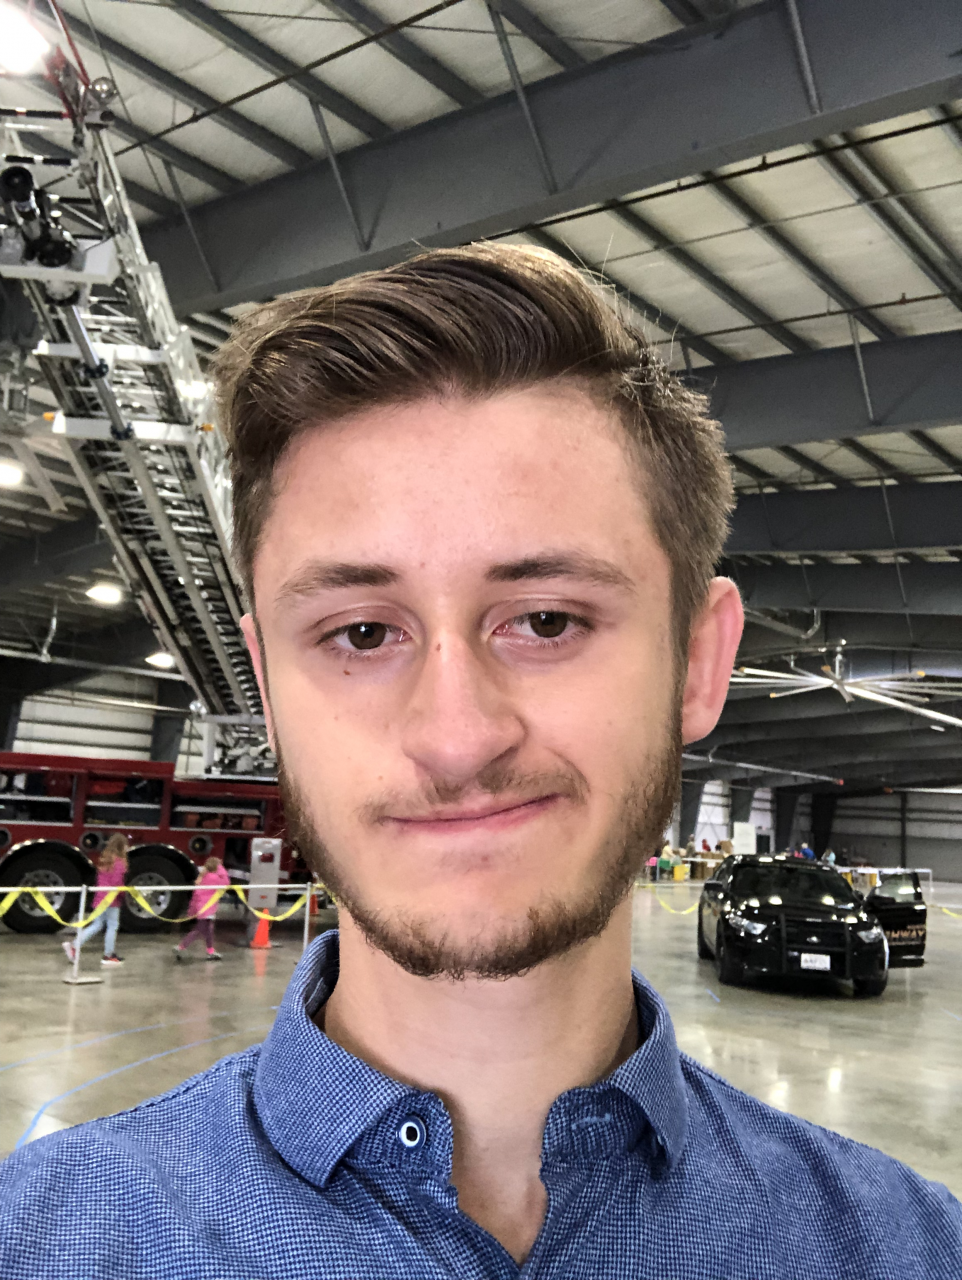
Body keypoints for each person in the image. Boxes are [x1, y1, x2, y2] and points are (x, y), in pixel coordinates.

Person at [2, 245, 959, 1279]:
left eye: (545, 620)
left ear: (696, 660)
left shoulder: (907, 1250)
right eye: (362, 633)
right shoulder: (39, 1242)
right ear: (269, 686)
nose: (457, 735)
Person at [60, 833, 127, 968]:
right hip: (111, 900)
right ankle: (109, 955)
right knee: (112, 926)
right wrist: (124, 893)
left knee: (97, 925)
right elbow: (117, 883)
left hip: (100, 898)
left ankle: (74, 945)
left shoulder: (104, 860)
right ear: (121, 846)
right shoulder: (119, 862)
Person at [173, 856, 230, 961]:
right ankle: (181, 947)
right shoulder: (213, 877)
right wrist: (221, 869)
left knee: (209, 930)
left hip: (202, 908)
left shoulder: (203, 877)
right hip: (207, 909)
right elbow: (226, 883)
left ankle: (210, 951)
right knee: (199, 929)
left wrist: (192, 910)